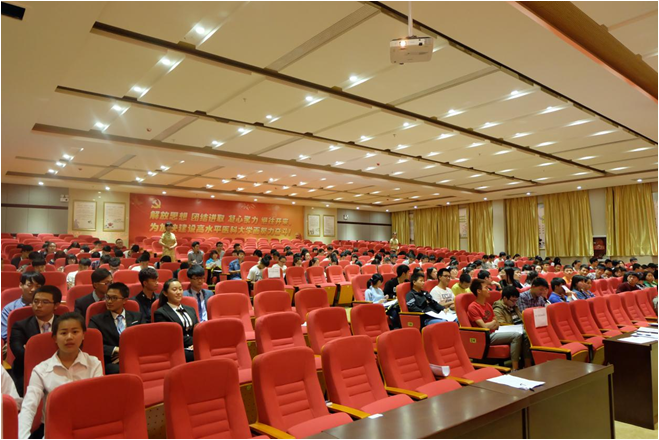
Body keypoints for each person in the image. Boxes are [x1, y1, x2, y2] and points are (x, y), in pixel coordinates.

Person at [18, 312, 103, 439]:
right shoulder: (41, 370)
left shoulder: (94, 364)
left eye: (75, 332)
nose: (69, 337)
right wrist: (22, 437)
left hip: (86, 427)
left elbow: (97, 402)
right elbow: (29, 407)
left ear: (83, 335)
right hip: (53, 428)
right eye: (63, 333)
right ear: (55, 338)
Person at [10, 286, 62, 394]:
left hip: (61, 368)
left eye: (45, 302)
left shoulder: (64, 324)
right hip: (28, 370)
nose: (38, 305)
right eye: (35, 301)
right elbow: (19, 352)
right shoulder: (20, 326)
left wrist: (32, 350)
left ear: (56, 305)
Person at [468, 279, 524, 370]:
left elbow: (497, 324)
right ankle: (515, 369)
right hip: (485, 336)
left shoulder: (488, 305)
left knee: (524, 334)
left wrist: (492, 323)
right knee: (516, 335)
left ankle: (525, 364)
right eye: (486, 288)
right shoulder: (473, 307)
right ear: (478, 291)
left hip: (495, 332)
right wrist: (493, 323)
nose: (489, 290)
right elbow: (484, 327)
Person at [89, 282, 144, 375]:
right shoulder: (97, 320)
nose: (109, 301)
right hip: (112, 362)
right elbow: (93, 344)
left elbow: (144, 339)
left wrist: (126, 352)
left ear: (125, 300)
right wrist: (116, 349)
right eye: (107, 297)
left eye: (114, 298)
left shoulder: (138, 317)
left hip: (135, 357)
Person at [154, 279, 198, 363]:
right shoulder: (160, 313)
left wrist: (197, 343)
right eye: (174, 290)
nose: (178, 292)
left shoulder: (190, 309)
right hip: (176, 347)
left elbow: (197, 328)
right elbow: (169, 337)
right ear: (165, 293)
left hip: (194, 345)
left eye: (180, 289)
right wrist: (195, 342)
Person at [1, 272, 45, 342]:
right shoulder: (9, 309)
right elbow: (5, 334)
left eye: (38, 286)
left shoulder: (48, 306)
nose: (33, 289)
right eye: (29, 285)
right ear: (21, 285)